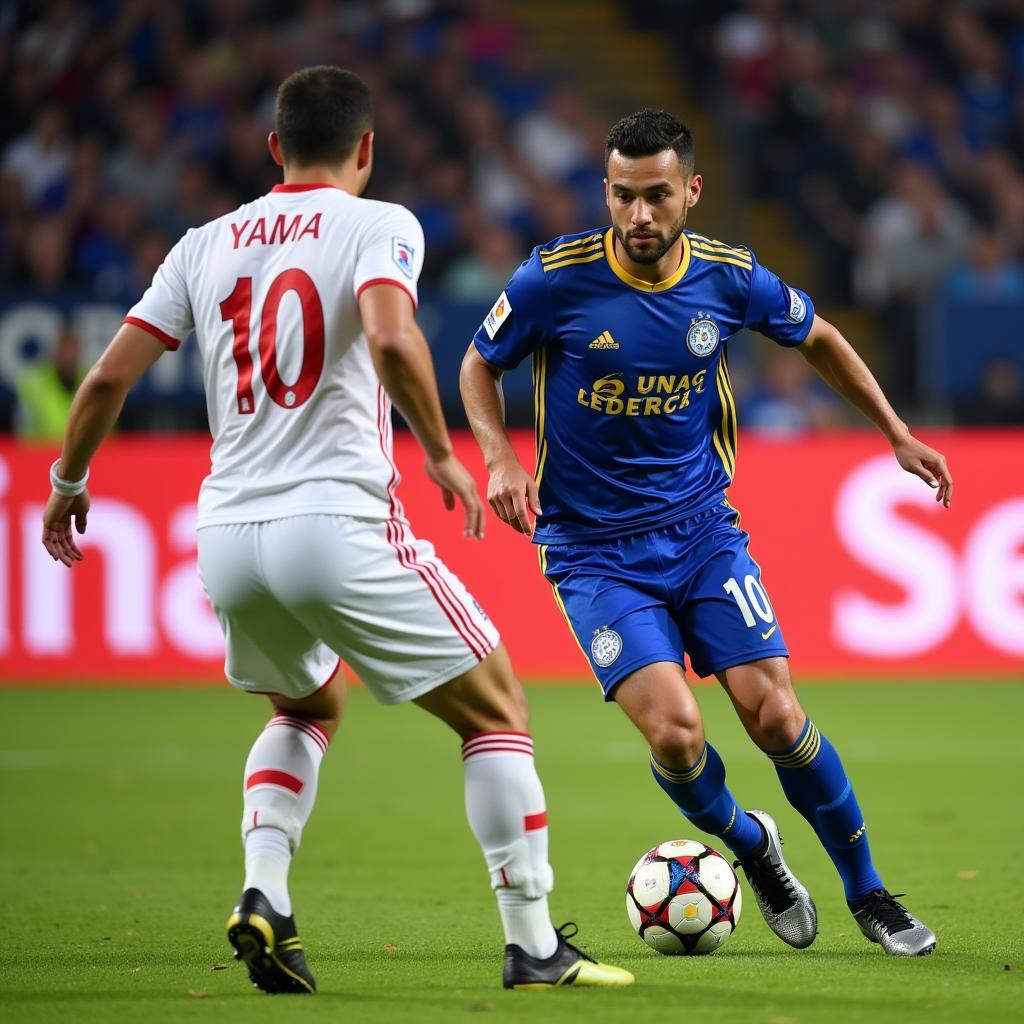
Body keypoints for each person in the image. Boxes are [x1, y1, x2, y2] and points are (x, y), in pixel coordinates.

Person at [40, 66, 632, 995]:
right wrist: (439, 452)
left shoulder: (203, 243)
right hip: (340, 518)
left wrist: (69, 480)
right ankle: (533, 944)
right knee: (498, 711)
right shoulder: (379, 223)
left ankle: (264, 892)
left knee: (307, 705)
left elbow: (110, 376)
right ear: (366, 148)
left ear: (275, 148)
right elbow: (394, 338)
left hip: (227, 534)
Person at [460, 109, 952, 957]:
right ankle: (754, 849)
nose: (639, 216)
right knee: (678, 734)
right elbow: (477, 362)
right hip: (590, 551)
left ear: (691, 190)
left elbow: (821, 337)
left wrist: (896, 432)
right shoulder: (554, 279)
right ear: (605, 193)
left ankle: (869, 892)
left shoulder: (730, 279)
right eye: (622, 196)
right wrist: (498, 455)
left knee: (776, 716)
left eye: (656, 196)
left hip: (701, 535)